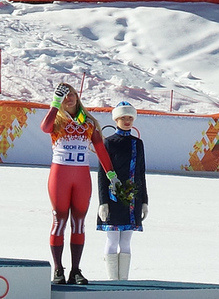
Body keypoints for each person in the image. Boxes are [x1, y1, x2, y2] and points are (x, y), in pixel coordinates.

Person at [41, 83, 117, 285]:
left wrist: (111, 174)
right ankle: (58, 269)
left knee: (79, 222)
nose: (69, 98)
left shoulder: (87, 121)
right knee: (59, 220)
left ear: (77, 96)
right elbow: (45, 127)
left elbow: (100, 148)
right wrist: (55, 104)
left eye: (72, 94)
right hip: (60, 175)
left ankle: (76, 270)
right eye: (64, 96)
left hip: (81, 176)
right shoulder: (57, 120)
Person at [97, 101, 149, 280]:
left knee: (126, 241)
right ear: (116, 119)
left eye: (130, 118)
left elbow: (141, 173)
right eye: (123, 117)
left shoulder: (137, 143)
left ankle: (123, 282)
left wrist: (144, 201)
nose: (127, 121)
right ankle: (112, 281)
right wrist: (103, 202)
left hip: (132, 200)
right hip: (113, 199)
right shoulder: (108, 143)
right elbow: (102, 174)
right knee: (112, 240)